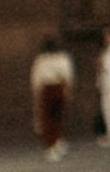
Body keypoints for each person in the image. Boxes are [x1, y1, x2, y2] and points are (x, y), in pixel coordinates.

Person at [28, 34, 76, 162]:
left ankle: (51, 147)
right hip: (60, 87)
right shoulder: (63, 58)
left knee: (47, 120)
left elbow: (36, 78)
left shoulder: (41, 60)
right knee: (58, 117)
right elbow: (68, 75)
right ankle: (59, 142)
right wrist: (68, 90)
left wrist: (36, 92)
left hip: (47, 89)